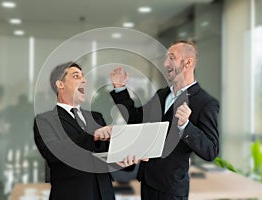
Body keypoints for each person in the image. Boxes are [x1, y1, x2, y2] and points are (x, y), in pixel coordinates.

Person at [110, 40, 219, 200]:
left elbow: (211, 150)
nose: (165, 63)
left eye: (172, 58)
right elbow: (135, 119)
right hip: (147, 183)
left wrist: (186, 126)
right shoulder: (162, 95)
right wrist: (120, 90)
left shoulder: (205, 102)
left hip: (171, 189)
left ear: (188, 62)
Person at [34, 62, 138, 200]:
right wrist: (93, 136)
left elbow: (107, 155)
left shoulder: (96, 117)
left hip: (104, 194)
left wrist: (124, 159)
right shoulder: (45, 120)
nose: (84, 80)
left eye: (83, 77)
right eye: (76, 76)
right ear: (60, 84)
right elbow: (52, 152)